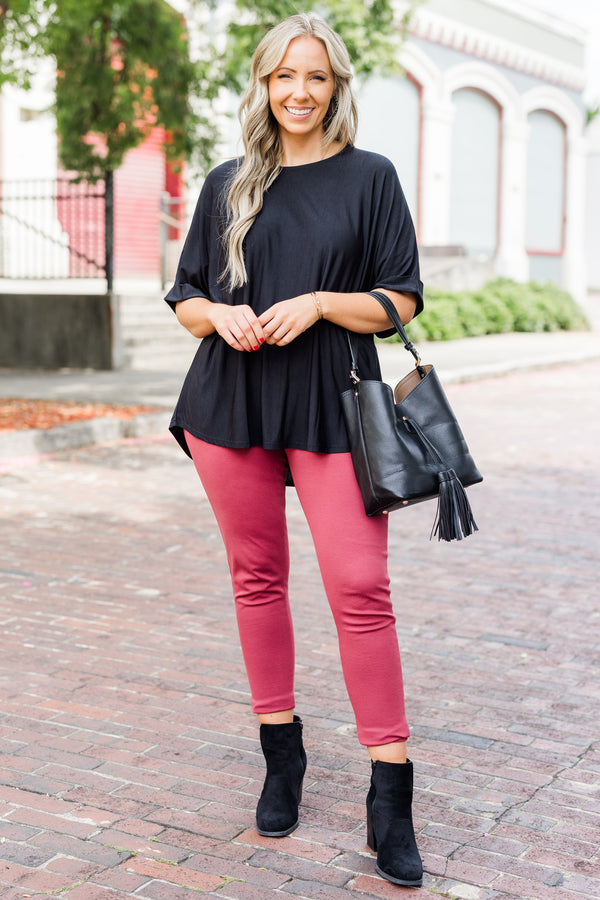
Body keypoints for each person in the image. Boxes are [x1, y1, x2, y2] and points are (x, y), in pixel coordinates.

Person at [164, 13, 424, 888]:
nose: (299, 92)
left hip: (334, 403)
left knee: (360, 586)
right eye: (283, 77)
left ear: (337, 86)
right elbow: (186, 296)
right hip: (227, 402)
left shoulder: (371, 178)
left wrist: (318, 302)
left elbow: (402, 301)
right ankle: (282, 756)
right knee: (256, 578)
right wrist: (220, 314)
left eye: (315, 76)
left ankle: (391, 793)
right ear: (263, 86)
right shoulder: (229, 181)